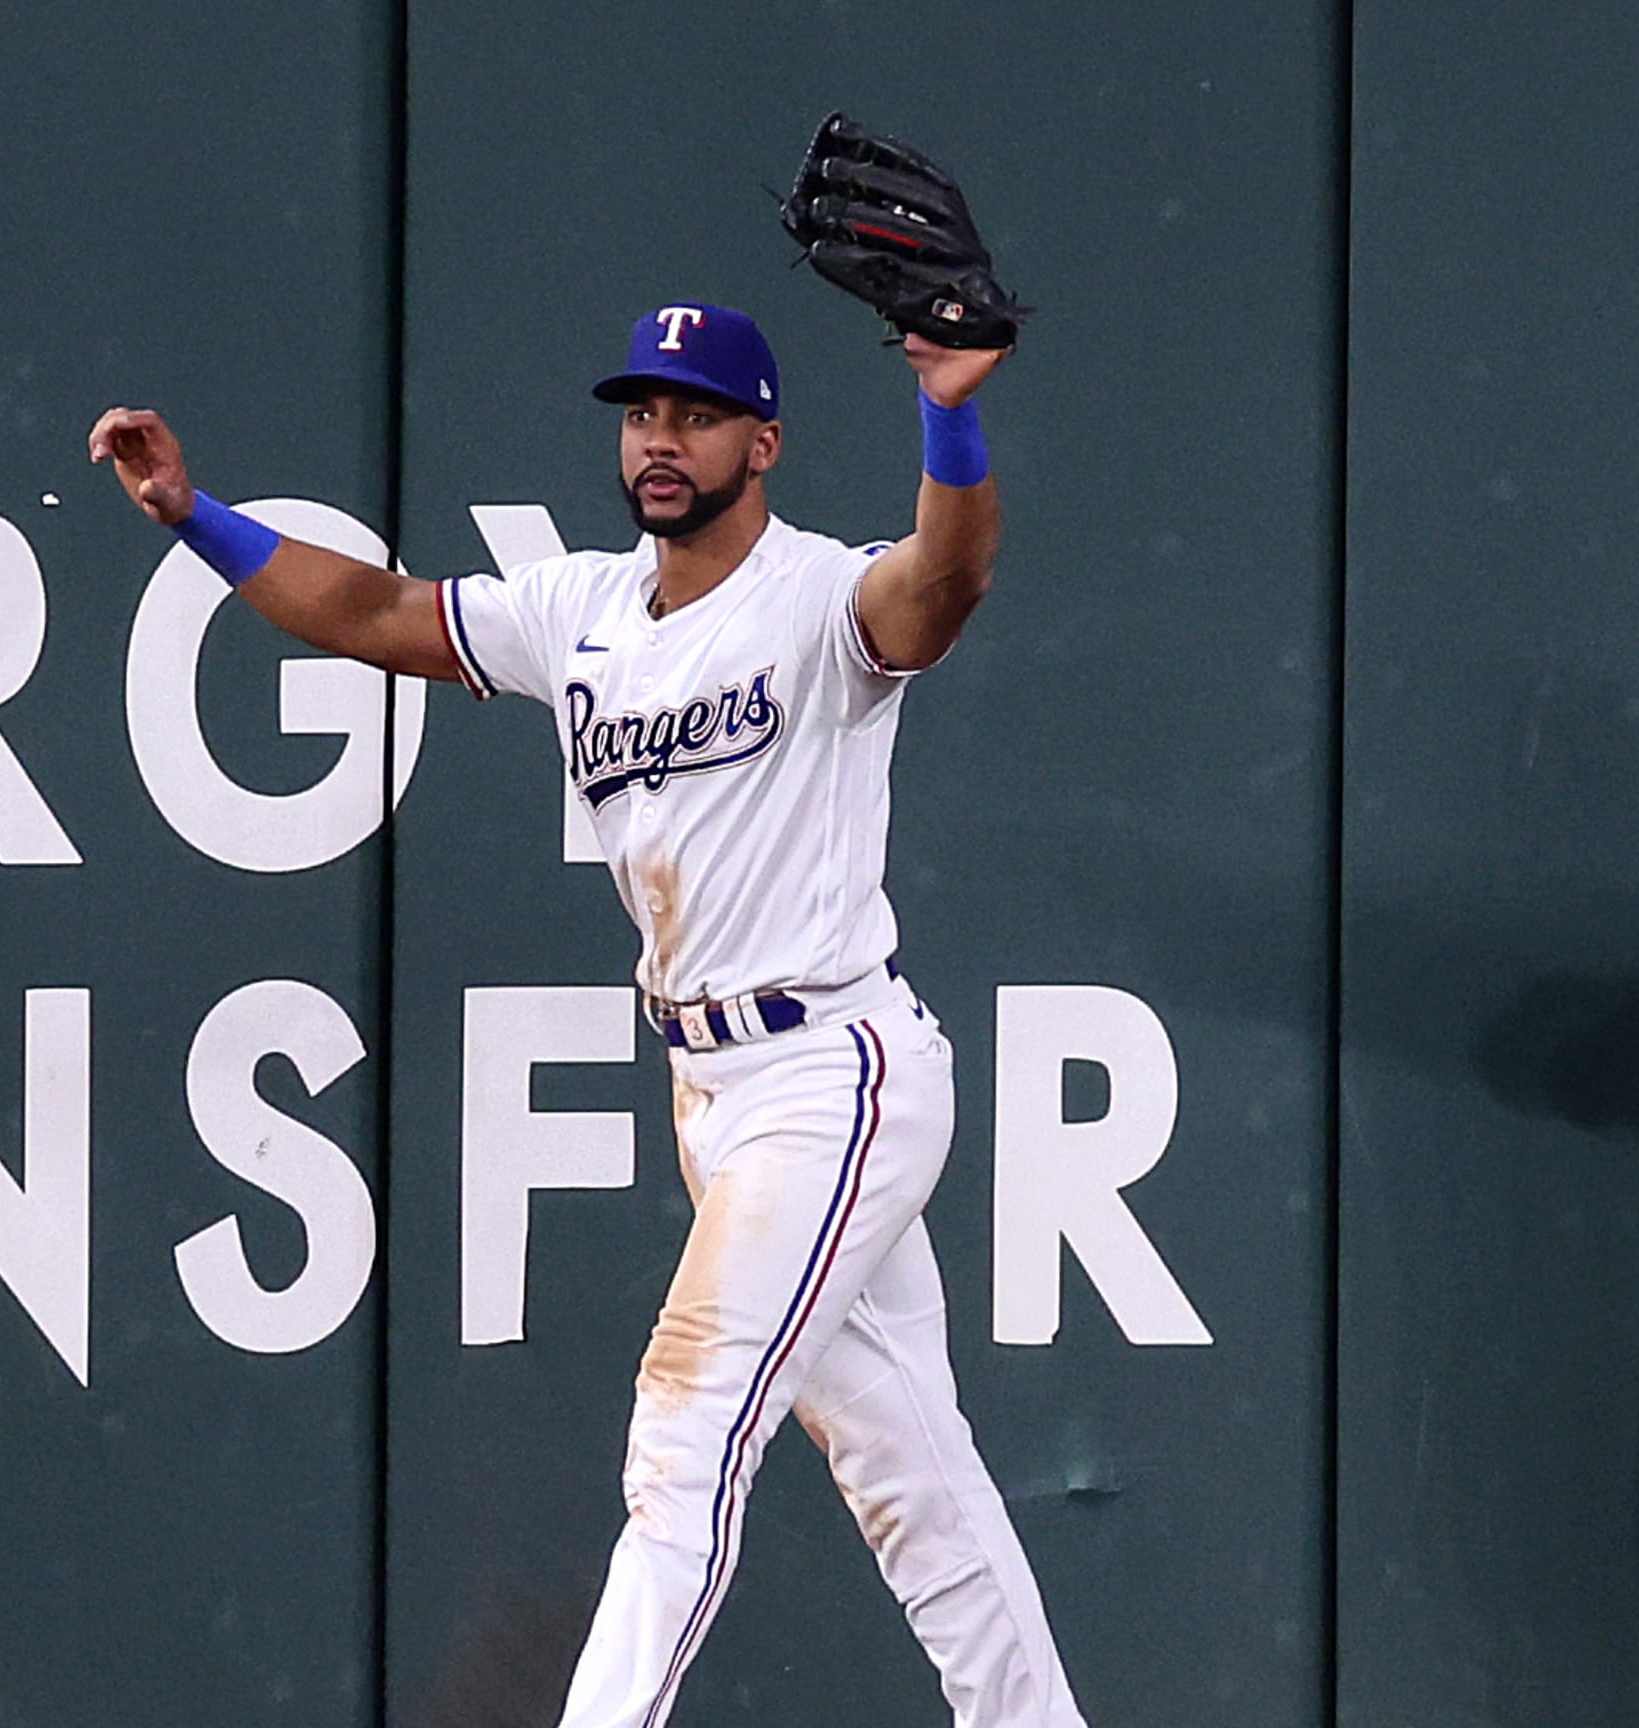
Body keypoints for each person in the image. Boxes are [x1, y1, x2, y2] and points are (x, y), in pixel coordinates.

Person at [88, 301, 1088, 1728]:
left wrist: (948, 411)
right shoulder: (579, 610)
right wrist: (196, 515)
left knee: (684, 1442)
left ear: (766, 439)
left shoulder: (818, 596)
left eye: (693, 413)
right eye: (641, 414)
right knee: (914, 1483)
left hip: (833, 1072)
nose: (661, 441)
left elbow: (948, 580)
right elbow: (376, 613)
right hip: (718, 1096)